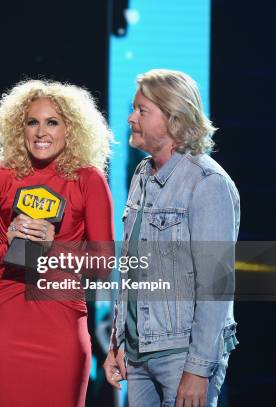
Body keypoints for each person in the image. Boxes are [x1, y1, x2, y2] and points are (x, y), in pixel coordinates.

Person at [103, 69, 240, 407]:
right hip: (137, 353)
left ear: (173, 118)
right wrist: (117, 343)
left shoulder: (207, 183)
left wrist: (198, 369)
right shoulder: (141, 174)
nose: (131, 118)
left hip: (180, 357)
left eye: (142, 110)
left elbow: (216, 285)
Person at [0, 79, 115, 407]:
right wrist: (8, 244)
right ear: (18, 128)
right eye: (32, 122)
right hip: (6, 323)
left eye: (52, 122)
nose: (41, 131)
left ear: (71, 130)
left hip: (62, 325)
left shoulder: (89, 179)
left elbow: (103, 267)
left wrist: (56, 249)